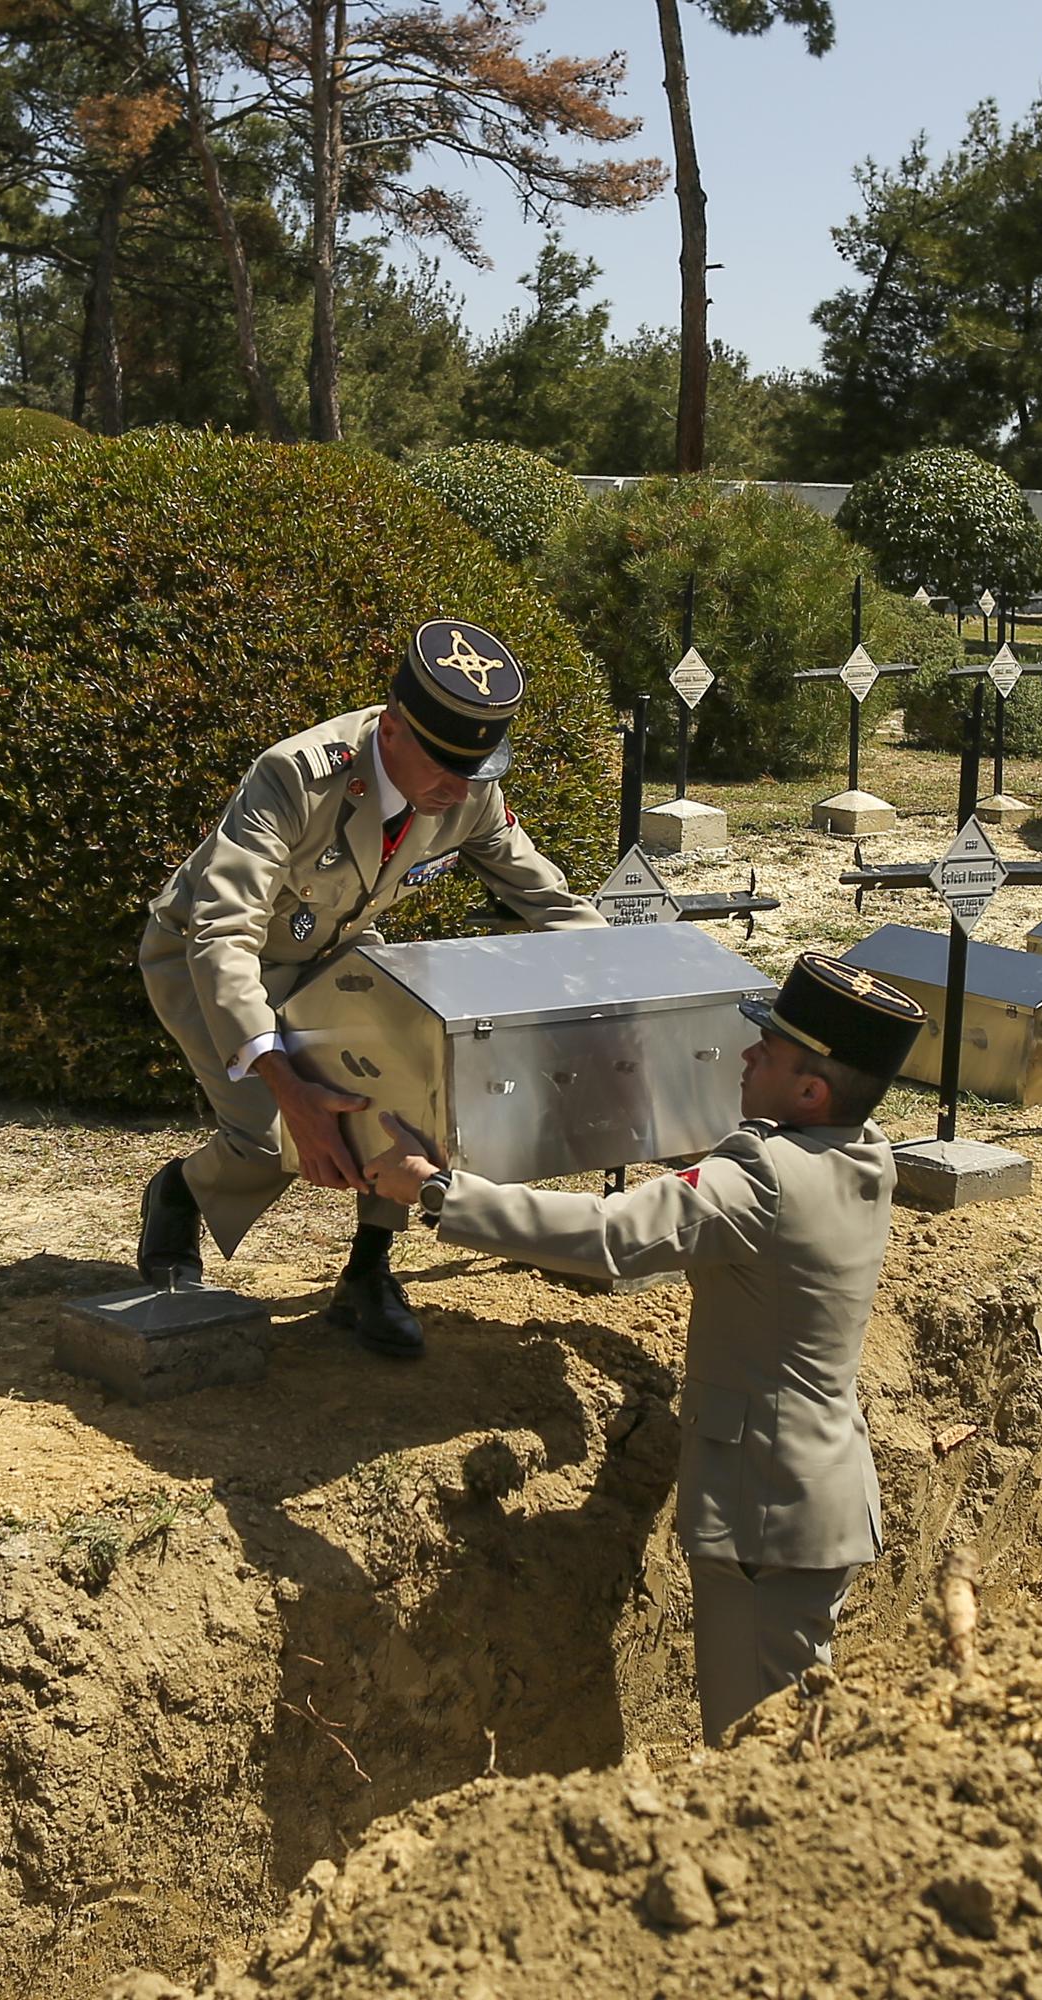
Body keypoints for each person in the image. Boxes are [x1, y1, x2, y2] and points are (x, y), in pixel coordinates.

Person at [361, 952, 928, 1744]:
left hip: (764, 1515)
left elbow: (611, 1235)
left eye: (769, 1050)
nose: (747, 1054)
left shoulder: (761, 1175)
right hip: (812, 1496)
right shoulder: (860, 1152)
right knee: (790, 1732)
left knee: (758, 1754)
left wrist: (434, 1190)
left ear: (810, 1091)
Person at [136, 619, 601, 1357]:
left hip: (336, 954)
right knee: (270, 1138)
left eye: (476, 768)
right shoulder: (295, 777)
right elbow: (221, 932)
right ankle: (180, 1193)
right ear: (390, 730)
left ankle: (367, 1273)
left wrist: (626, 978)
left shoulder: (469, 792)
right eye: (446, 765)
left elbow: (548, 898)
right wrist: (288, 1085)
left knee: (409, 1097)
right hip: (214, 961)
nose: (460, 788)